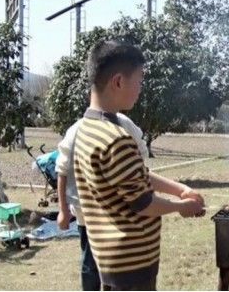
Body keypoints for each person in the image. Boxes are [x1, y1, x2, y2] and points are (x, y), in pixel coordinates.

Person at [74, 40, 205, 291]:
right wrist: (182, 207)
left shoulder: (87, 129)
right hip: (130, 264)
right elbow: (144, 203)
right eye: (140, 80)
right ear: (119, 82)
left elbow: (135, 175)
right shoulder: (116, 139)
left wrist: (179, 189)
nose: (141, 88)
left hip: (110, 258)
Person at [55, 113, 148, 291]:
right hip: (87, 213)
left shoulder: (124, 124)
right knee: (91, 264)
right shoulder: (77, 130)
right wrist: (63, 210)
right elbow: (62, 171)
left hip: (120, 211)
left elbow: (142, 158)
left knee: (117, 265)